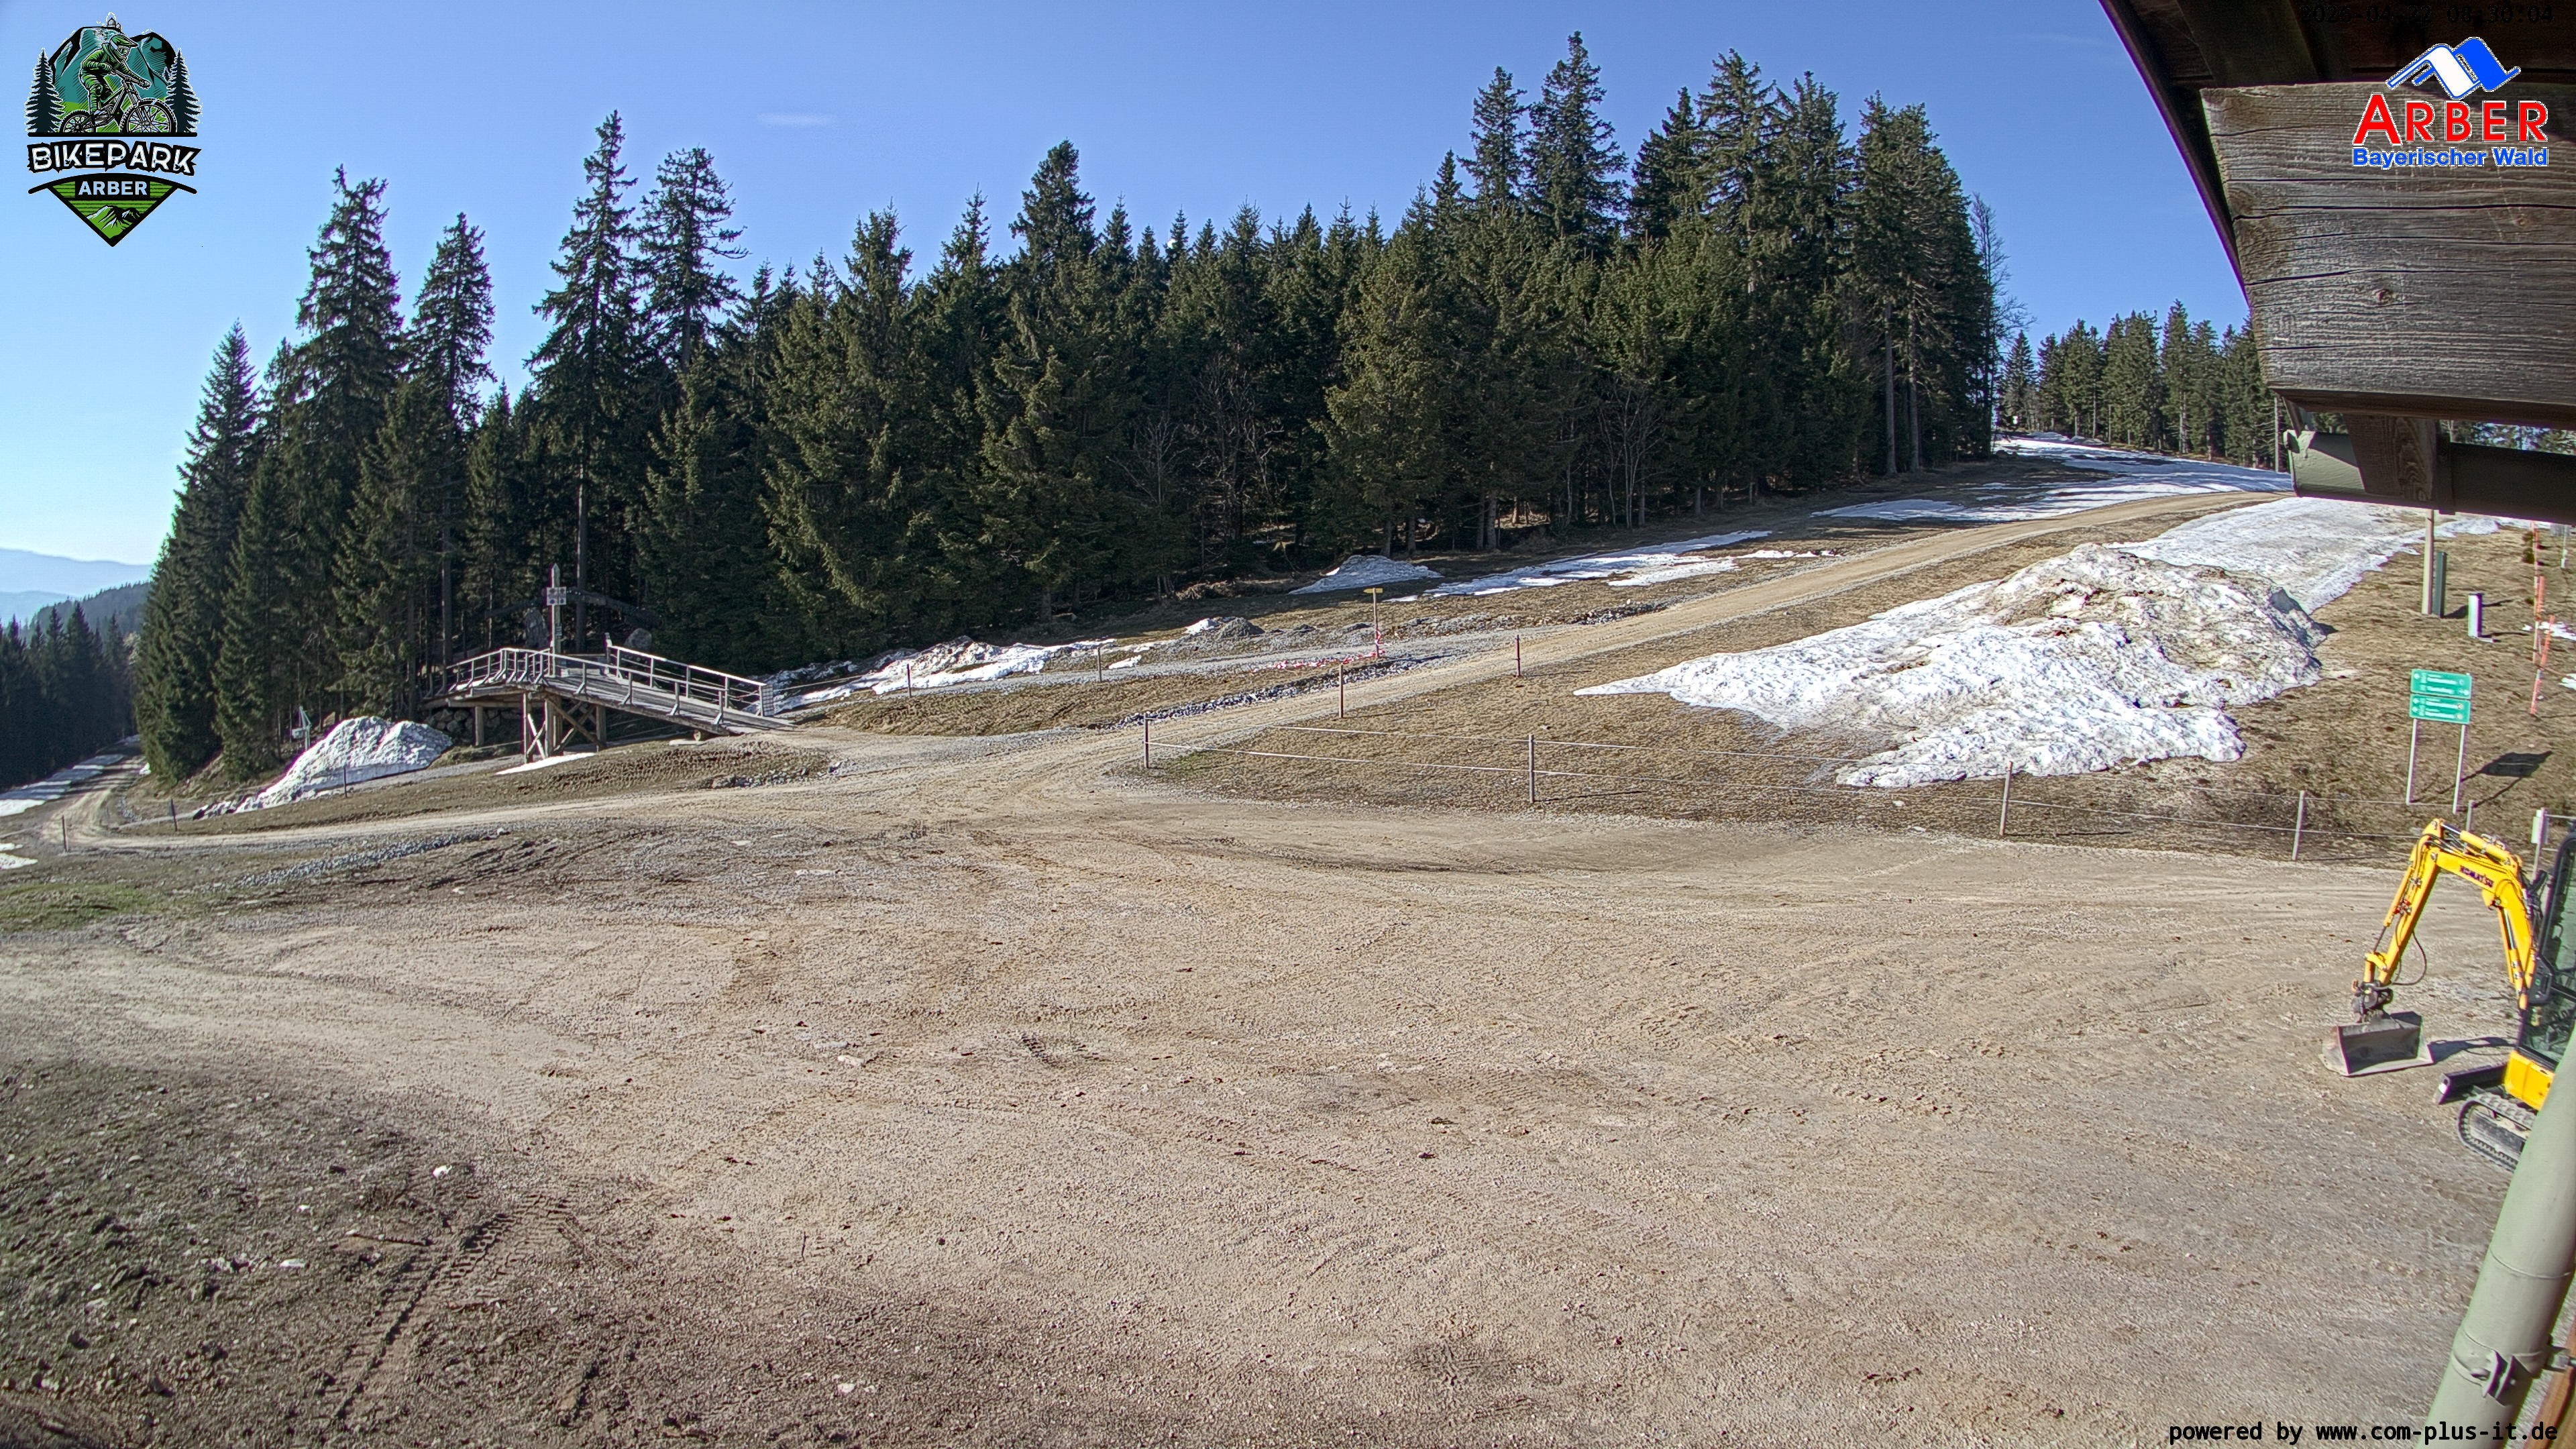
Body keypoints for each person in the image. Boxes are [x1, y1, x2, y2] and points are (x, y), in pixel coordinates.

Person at [76, 17, 147, 127]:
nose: (124, 54)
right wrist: (102, 65)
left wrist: (141, 81)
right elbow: (85, 63)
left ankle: (123, 128)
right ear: (114, 48)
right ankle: (94, 112)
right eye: (122, 50)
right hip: (87, 74)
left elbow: (128, 72)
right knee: (96, 87)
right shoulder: (102, 53)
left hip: (99, 77)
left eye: (127, 51)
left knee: (114, 104)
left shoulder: (119, 62)